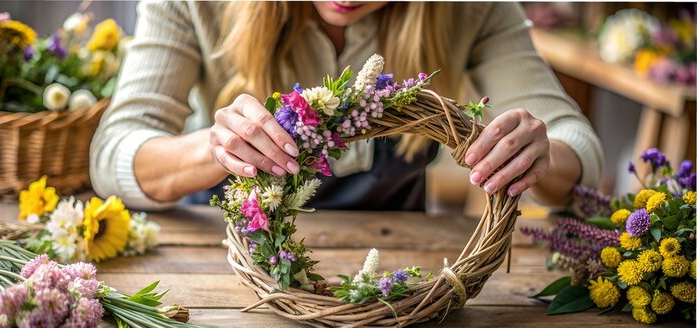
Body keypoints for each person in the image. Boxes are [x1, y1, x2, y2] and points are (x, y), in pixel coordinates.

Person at [90, 1, 604, 211]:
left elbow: (575, 144)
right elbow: (113, 153)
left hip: (397, 290)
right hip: (223, 269)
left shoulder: (471, 8)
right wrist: (216, 148)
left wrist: (539, 156)